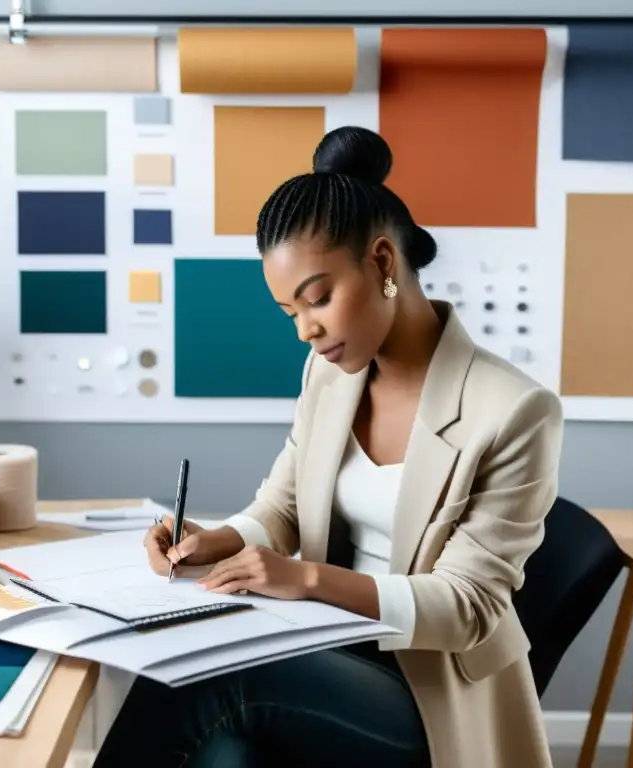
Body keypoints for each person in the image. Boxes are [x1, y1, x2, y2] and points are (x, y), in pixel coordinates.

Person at [92, 126, 564, 768]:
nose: (306, 331)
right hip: (319, 651)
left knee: (223, 681)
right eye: (291, 313)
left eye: (318, 299)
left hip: (425, 689)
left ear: (382, 263)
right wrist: (220, 540)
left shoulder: (513, 410)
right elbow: (283, 507)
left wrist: (305, 578)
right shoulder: (329, 374)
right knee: (223, 754)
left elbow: (467, 607)